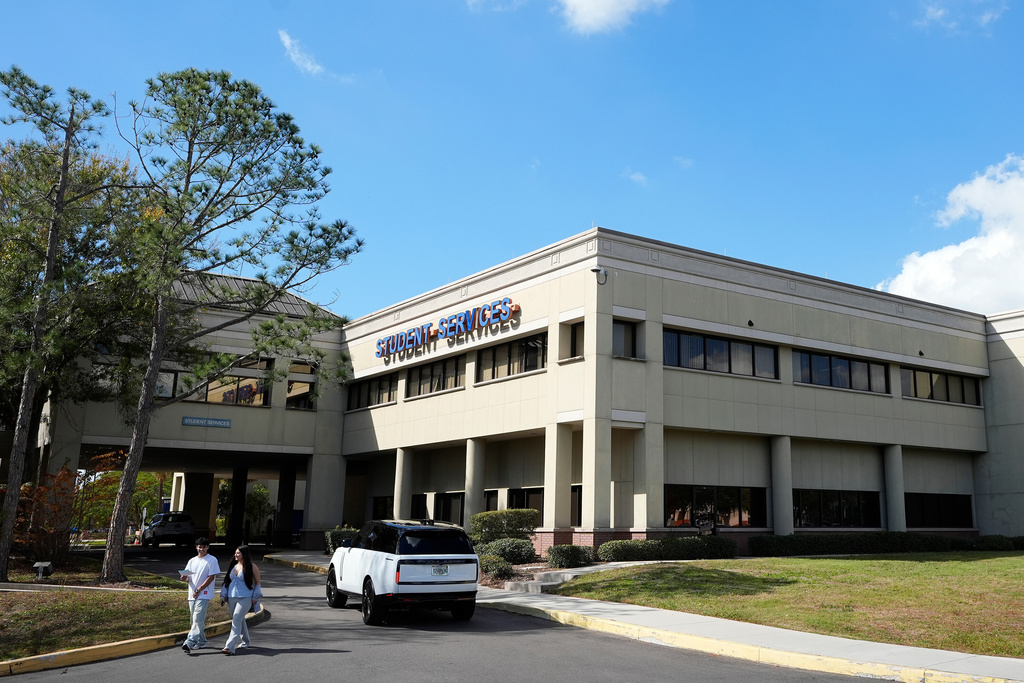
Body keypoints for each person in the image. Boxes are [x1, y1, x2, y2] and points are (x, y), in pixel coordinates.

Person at [219, 545, 262, 655]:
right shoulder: (234, 565)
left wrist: (255, 596)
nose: (236, 555)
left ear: (244, 554)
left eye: (238, 553)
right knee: (239, 619)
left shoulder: (252, 566)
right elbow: (227, 581)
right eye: (235, 552)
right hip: (231, 597)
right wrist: (223, 595)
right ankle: (246, 641)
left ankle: (229, 647)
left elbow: (258, 582)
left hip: (245, 598)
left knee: (236, 620)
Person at [181, 537, 221, 654]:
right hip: (192, 594)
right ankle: (202, 641)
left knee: (198, 618)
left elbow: (211, 577)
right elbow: (187, 577)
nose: (201, 549)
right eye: (200, 547)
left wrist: (199, 590)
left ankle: (189, 642)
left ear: (207, 547)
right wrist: (184, 578)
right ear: (196, 547)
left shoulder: (212, 560)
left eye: (204, 547)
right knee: (195, 619)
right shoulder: (192, 561)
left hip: (203, 594)